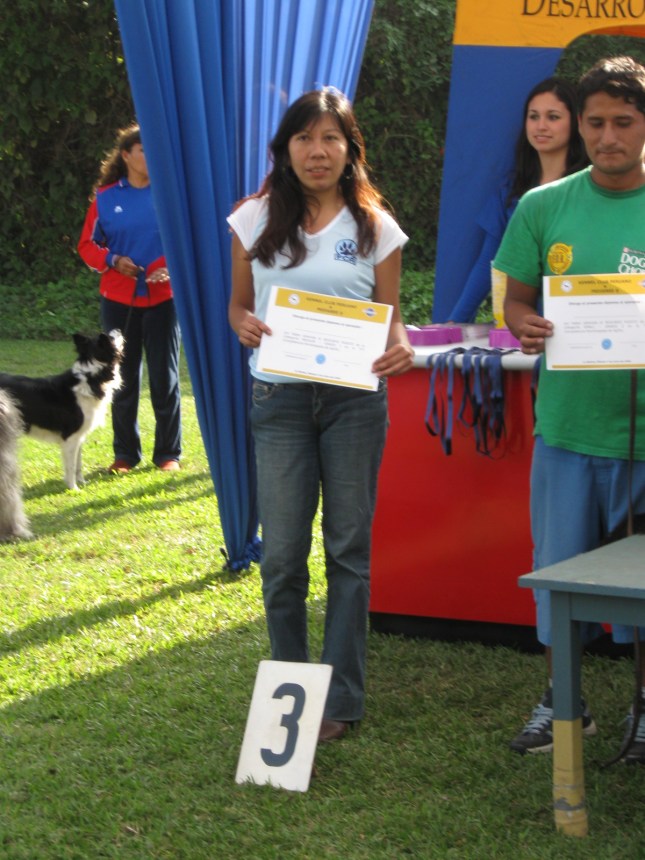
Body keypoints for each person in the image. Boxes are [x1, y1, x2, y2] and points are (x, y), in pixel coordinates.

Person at [227, 88, 413, 742]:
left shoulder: (375, 227)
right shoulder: (252, 219)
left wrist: (399, 347)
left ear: (349, 149)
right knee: (280, 556)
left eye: (330, 138)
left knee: (347, 549)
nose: (317, 151)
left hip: (353, 403)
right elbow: (238, 306)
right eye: (304, 138)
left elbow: (391, 322)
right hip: (277, 399)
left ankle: (340, 699)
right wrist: (243, 324)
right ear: (284, 149)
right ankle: (290, 692)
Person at [495, 56, 645, 761]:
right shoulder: (541, 206)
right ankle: (564, 702)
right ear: (578, 127)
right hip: (567, 427)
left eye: (623, 122)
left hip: (642, 437)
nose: (607, 136)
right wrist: (523, 322)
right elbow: (516, 298)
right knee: (558, 573)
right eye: (596, 123)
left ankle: (644, 709)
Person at [78, 123, 182, 473]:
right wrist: (112, 260)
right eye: (143, 150)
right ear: (126, 155)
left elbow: (186, 240)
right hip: (118, 300)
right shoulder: (106, 198)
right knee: (120, 377)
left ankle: (169, 454)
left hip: (164, 299)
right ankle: (125, 454)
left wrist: (170, 267)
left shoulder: (172, 194)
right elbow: (87, 246)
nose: (151, 157)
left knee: (164, 377)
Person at [448, 77, 587, 323]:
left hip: (579, 327)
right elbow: (487, 265)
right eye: (533, 117)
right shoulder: (509, 191)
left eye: (553, 117)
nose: (540, 126)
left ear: (576, 124)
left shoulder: (590, 188)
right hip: (521, 331)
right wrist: (454, 323)